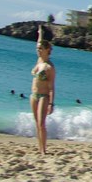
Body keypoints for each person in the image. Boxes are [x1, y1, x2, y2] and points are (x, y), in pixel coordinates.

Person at [30, 25, 56, 155]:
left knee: (41, 124)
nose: (38, 50)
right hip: (33, 95)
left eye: (40, 49)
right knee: (36, 123)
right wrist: (40, 33)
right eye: (38, 49)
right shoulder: (39, 61)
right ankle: (40, 147)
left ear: (47, 50)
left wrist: (51, 103)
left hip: (43, 97)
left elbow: (51, 87)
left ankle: (43, 150)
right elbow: (38, 42)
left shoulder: (49, 67)